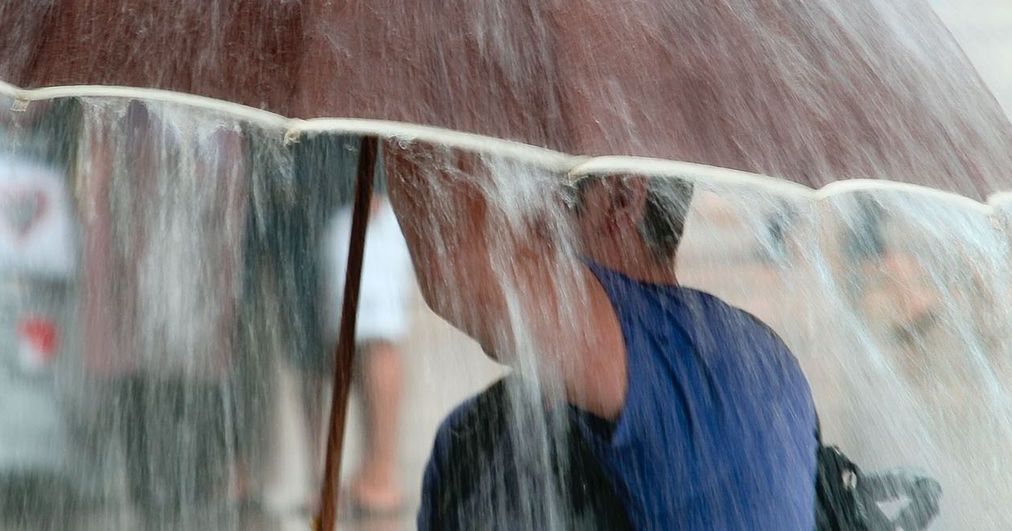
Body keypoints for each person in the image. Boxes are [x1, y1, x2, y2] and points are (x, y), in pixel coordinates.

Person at [387, 147, 821, 529]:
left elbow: (463, 261)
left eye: (510, 187)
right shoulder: (472, 437)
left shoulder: (729, 367)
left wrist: (396, 87)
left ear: (620, 199)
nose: (501, 215)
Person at [317, 189, 416, 516]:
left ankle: (381, 475)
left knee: (377, 333)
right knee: (353, 338)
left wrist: (376, 183)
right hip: (325, 197)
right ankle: (369, 472)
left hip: (363, 194)